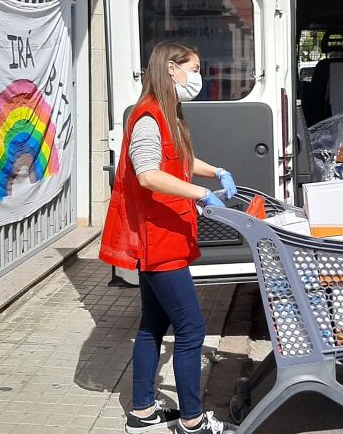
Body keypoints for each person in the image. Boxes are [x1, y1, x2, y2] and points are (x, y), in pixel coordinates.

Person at [99, 42, 239, 434]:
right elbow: (147, 174)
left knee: (152, 326)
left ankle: (142, 412)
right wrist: (200, 193)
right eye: (193, 69)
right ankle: (193, 421)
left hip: (164, 236)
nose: (198, 77)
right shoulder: (148, 116)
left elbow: (177, 159)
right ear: (172, 69)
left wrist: (216, 172)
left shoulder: (166, 113)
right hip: (158, 241)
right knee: (192, 329)